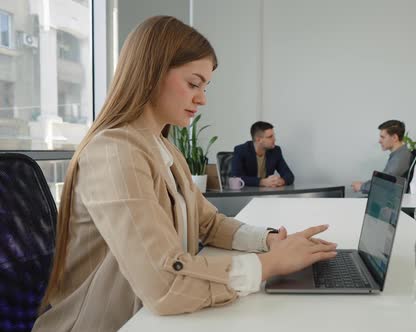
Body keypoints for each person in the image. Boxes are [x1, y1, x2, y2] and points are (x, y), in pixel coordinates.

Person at [33, 16, 336, 332]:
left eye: (205, 86)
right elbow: (165, 287)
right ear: (151, 73)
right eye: (193, 84)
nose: (202, 98)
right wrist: (269, 266)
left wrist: (270, 240)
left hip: (144, 319)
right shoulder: (114, 152)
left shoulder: (162, 147)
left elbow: (208, 222)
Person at [351, 120, 412, 194]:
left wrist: (361, 187)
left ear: (394, 137)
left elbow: (383, 184)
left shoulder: (399, 158)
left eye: (383, 137)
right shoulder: (400, 154)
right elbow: (383, 179)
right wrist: (363, 185)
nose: (379, 141)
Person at [231, 121, 295, 187]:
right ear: (258, 139)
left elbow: (289, 175)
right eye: (270, 137)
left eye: (274, 136)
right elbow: (235, 178)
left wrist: (281, 181)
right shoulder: (241, 150)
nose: (274, 139)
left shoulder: (275, 151)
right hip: (246, 194)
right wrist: (262, 182)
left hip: (266, 193)